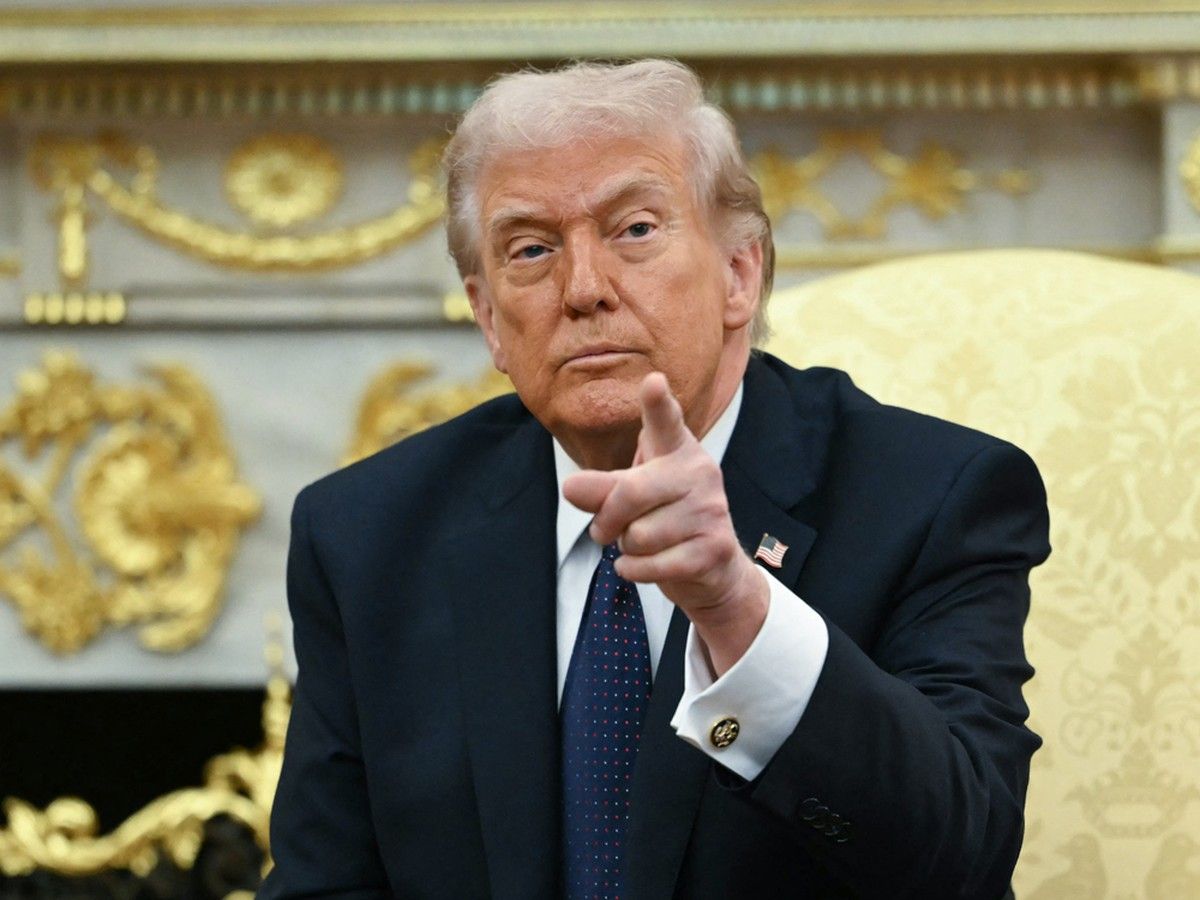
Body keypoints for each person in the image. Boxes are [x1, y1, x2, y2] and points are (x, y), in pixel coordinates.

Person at [261, 59, 1050, 900]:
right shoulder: (366, 534)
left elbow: (960, 859)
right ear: (489, 316)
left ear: (740, 274)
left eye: (635, 229)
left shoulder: (936, 497)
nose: (585, 290)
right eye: (531, 250)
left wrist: (736, 609)